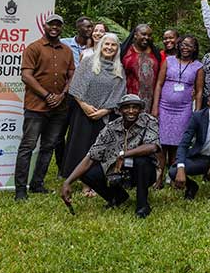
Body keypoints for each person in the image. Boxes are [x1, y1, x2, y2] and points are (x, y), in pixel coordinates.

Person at [60, 93, 160, 218]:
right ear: (119, 110)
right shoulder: (111, 128)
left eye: (135, 107)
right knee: (87, 174)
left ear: (140, 110)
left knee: (142, 161)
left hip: (144, 172)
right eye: (126, 107)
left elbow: (153, 146)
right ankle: (117, 197)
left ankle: (142, 205)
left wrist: (123, 154)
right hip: (117, 171)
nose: (131, 111)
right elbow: (91, 156)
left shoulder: (149, 121)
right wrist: (68, 182)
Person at [14, 14, 75, 201]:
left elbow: (72, 74)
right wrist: (47, 95)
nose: (55, 28)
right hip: (36, 107)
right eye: (51, 24)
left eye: (58, 25)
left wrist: (63, 94)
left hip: (59, 108)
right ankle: (20, 189)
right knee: (28, 146)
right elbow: (26, 76)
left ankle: (37, 184)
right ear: (45, 26)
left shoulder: (66, 50)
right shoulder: (34, 48)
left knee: (48, 146)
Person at [61, 33, 126, 192]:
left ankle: (94, 182)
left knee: (99, 150)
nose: (109, 48)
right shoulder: (88, 62)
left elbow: (119, 92)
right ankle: (82, 182)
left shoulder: (119, 69)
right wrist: (84, 105)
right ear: (101, 46)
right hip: (83, 113)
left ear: (117, 48)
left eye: (113, 45)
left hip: (105, 115)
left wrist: (105, 110)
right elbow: (76, 85)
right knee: (82, 148)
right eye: (106, 44)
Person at [151, 35, 204, 177]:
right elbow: (159, 84)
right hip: (164, 107)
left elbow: (199, 91)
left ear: (194, 49)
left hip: (184, 109)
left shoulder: (198, 66)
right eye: (183, 44)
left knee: (178, 142)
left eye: (189, 45)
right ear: (179, 46)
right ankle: (159, 175)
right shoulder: (168, 61)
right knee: (161, 142)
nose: (185, 48)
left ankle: (173, 175)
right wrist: (155, 106)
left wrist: (197, 112)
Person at [57, 16, 94, 170]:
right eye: (87, 27)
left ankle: (76, 166)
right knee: (59, 134)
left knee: (77, 134)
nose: (90, 29)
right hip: (66, 95)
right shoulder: (64, 43)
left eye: (91, 26)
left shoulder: (95, 48)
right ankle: (61, 166)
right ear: (78, 28)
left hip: (84, 96)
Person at [120, 24, 163, 108]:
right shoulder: (125, 52)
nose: (146, 37)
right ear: (135, 35)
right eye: (143, 34)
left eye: (149, 35)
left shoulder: (156, 54)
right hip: (129, 101)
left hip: (151, 101)